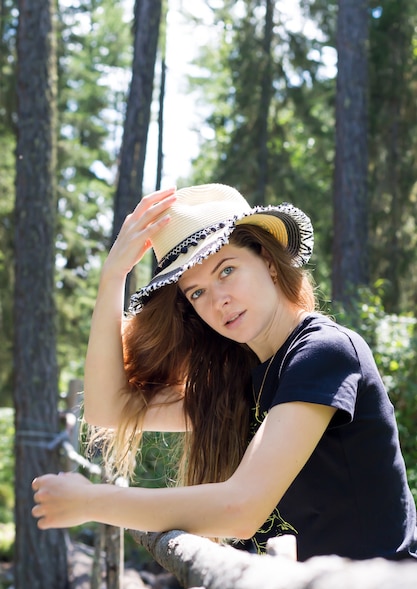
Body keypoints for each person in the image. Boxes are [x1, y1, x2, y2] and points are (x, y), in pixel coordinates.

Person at [32, 183, 417, 562]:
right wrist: (113, 276)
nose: (218, 301)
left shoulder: (324, 352)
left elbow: (241, 509)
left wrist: (92, 501)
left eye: (227, 270)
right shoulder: (241, 381)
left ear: (267, 259)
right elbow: (108, 409)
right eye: (196, 292)